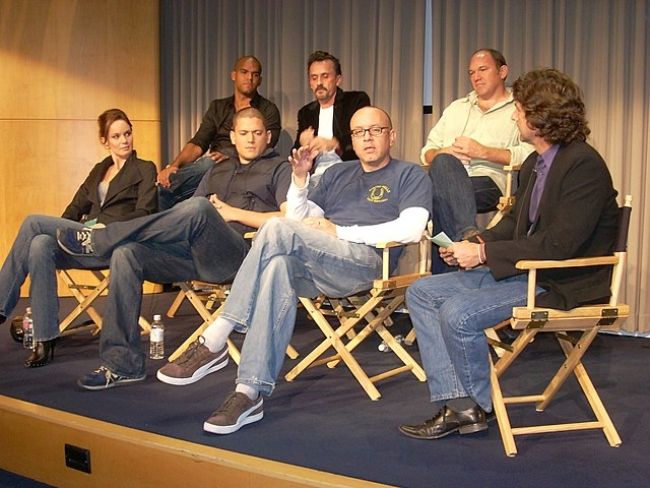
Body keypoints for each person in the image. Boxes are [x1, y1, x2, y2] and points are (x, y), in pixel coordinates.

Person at [156, 106, 432, 435]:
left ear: (392, 135)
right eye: (359, 132)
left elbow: (412, 229)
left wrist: (340, 232)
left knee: (275, 230)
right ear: (352, 139)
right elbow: (300, 219)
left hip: (367, 261)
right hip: (319, 262)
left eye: (376, 130)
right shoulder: (336, 175)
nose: (368, 138)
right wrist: (300, 181)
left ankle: (217, 335)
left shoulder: (410, 174)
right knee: (277, 265)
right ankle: (249, 392)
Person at [398, 68, 619, 441]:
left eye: (518, 108)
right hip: (525, 271)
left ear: (540, 115)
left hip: (559, 281)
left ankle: (475, 407)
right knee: (422, 292)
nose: (514, 115)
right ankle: (460, 404)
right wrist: (475, 244)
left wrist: (484, 255)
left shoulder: (584, 165)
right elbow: (514, 225)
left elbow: (558, 245)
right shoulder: (536, 163)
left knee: (457, 312)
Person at [57, 107, 292, 389]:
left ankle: (103, 239)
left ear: (268, 136)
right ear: (232, 136)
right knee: (126, 254)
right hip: (193, 253)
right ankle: (122, 364)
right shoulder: (219, 168)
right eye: (244, 133)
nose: (251, 139)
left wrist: (232, 213)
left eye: (257, 133)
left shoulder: (280, 167)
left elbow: (287, 218)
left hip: (239, 256)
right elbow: (185, 215)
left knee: (199, 207)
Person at [0, 108, 157, 367]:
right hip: (82, 241)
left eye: (127, 133)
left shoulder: (144, 168)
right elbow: (74, 209)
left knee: (32, 222)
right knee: (40, 243)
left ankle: (2, 303)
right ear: (105, 141)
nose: (124, 140)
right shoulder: (99, 170)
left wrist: (105, 226)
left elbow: (146, 212)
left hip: (113, 242)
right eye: (116, 136)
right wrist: (65, 231)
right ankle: (45, 337)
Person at [421, 48, 534, 245]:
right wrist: (443, 153)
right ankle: (466, 239)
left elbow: (530, 154)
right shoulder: (456, 108)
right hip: (447, 179)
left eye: (482, 70)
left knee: (437, 197)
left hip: (491, 181)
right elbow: (427, 152)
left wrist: (483, 152)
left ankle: (449, 262)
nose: (476, 77)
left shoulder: (519, 109)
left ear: (502, 72)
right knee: (440, 179)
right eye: (471, 73)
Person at [157, 55, 282, 209]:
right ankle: (165, 190)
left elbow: (267, 146)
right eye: (244, 72)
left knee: (207, 165)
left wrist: (232, 154)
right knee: (180, 179)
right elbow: (199, 143)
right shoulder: (218, 107)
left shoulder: (267, 110)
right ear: (234, 75)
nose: (249, 78)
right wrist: (173, 166)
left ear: (260, 80)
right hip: (212, 166)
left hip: (246, 164)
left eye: (255, 74)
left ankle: (165, 191)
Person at [294, 50, 370, 186]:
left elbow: (364, 138)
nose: (319, 83)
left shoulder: (355, 101)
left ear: (338, 79)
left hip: (350, 175)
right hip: (315, 180)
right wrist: (302, 144)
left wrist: (335, 143)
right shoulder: (306, 112)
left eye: (325, 76)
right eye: (314, 78)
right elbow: (295, 156)